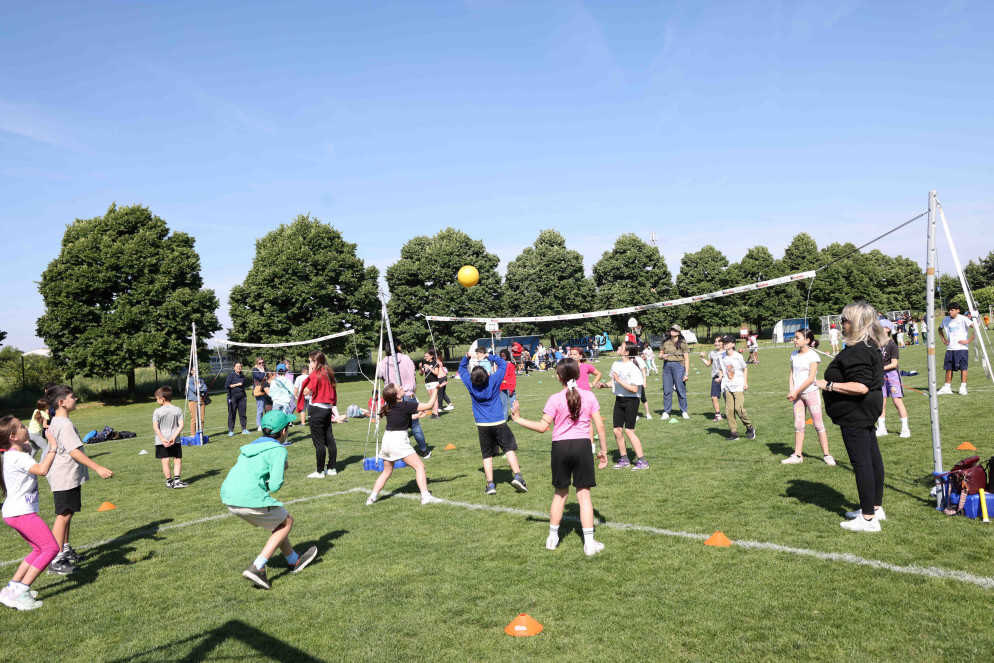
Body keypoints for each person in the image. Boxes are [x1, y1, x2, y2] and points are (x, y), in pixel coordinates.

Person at [510, 358, 609, 556]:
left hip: (560, 448)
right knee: (584, 496)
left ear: (558, 377)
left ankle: (552, 539)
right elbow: (600, 425)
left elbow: (542, 427)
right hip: (582, 447)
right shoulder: (588, 396)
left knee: (560, 494)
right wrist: (603, 451)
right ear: (578, 375)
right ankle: (589, 544)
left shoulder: (555, 398)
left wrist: (518, 419)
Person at [220, 410, 319, 589]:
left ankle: (293, 560)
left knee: (279, 523)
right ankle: (257, 567)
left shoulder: (250, 446)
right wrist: (280, 469)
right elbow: (275, 486)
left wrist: (277, 468)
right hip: (248, 498)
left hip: (229, 497)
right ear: (283, 432)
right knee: (287, 521)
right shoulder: (278, 449)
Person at [815, 301, 887, 532]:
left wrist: (829, 385)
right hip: (865, 411)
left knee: (862, 462)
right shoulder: (867, 346)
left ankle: (868, 518)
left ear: (856, 323)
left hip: (856, 411)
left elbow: (861, 387)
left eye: (845, 320)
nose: (841, 323)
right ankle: (874, 507)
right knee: (872, 457)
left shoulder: (858, 350)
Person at [43, 385, 114, 575]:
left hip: (65, 475)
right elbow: (74, 451)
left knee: (68, 513)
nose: (76, 399)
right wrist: (98, 467)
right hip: (64, 476)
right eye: (72, 397)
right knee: (63, 514)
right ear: (61, 402)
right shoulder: (64, 424)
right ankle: (56, 559)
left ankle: (64, 550)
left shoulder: (58, 421)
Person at [0, 415, 59, 610]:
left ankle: (12, 588)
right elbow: (41, 470)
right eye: (22, 426)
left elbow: (27, 459)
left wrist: (27, 448)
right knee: (51, 548)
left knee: (38, 549)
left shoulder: (12, 454)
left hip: (14, 512)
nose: (26, 427)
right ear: (13, 437)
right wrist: (52, 447)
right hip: (21, 513)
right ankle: (22, 591)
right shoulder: (18, 456)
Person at [458, 351, 528, 495]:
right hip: (499, 422)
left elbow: (461, 369)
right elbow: (503, 363)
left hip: (482, 425)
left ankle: (490, 485)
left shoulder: (470, 384)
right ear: (488, 374)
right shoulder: (494, 380)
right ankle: (518, 477)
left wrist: (467, 357)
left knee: (487, 455)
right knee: (508, 449)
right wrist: (488, 355)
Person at [365, 385, 441, 506]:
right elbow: (429, 406)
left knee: (386, 472)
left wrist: (416, 416)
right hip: (398, 441)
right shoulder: (405, 405)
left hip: (387, 441)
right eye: (399, 387)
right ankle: (426, 496)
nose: (401, 387)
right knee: (419, 466)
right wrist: (436, 390)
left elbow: (401, 417)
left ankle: (371, 498)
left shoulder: (390, 407)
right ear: (397, 395)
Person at [782, 330, 834, 465]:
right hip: (797, 396)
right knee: (798, 425)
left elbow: (811, 378)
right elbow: (791, 374)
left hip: (811, 393)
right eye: (794, 337)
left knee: (818, 425)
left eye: (797, 338)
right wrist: (792, 391)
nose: (794, 340)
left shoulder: (813, 356)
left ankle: (827, 455)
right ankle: (797, 455)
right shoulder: (794, 355)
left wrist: (796, 391)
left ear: (807, 341)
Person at [377, 342, 431, 458]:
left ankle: (417, 451)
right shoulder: (404, 358)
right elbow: (413, 372)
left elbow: (379, 375)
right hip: (403, 396)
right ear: (397, 346)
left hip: (396, 397)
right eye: (400, 345)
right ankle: (423, 451)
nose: (401, 347)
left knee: (399, 425)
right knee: (415, 425)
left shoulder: (384, 362)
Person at [605, 341, 648, 470]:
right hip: (619, 400)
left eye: (621, 347)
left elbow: (635, 389)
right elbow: (613, 381)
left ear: (627, 352)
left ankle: (642, 461)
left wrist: (619, 380)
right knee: (616, 430)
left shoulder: (633, 368)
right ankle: (624, 459)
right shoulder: (616, 364)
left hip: (631, 400)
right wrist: (604, 385)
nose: (618, 348)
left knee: (629, 431)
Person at [298, 352, 340, 478]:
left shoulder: (316, 374)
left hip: (317, 409)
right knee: (329, 439)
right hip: (327, 409)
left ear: (315, 362)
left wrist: (310, 374)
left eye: (310, 361)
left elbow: (306, 391)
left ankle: (320, 471)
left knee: (319, 442)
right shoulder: (328, 372)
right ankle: (331, 468)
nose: (308, 363)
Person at [717, 336, 755, 441]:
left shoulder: (738, 356)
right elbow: (721, 369)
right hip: (727, 386)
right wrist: (720, 377)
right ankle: (733, 433)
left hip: (738, 385)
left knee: (739, 409)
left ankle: (749, 427)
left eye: (727, 342)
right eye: (723, 342)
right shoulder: (721, 357)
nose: (724, 344)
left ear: (733, 344)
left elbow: (744, 368)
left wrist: (745, 382)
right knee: (729, 411)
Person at [877, 328, 910, 438]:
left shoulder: (892, 345)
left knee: (897, 401)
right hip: (880, 376)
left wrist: (880, 368)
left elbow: (894, 364)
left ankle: (905, 429)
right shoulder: (876, 344)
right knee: (881, 401)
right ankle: (882, 428)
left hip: (892, 376)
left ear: (887, 329)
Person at [153, 386, 188, 488]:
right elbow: (181, 425)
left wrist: (162, 439)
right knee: (177, 459)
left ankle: (169, 481)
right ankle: (177, 480)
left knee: (165, 460)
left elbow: (155, 426)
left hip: (161, 440)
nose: (157, 401)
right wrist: (173, 437)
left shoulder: (157, 411)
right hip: (175, 439)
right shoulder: (177, 409)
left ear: (162, 399)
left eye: (157, 399)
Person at [938, 302, 974, 395]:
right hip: (950, 348)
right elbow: (940, 329)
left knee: (963, 368)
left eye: (952, 310)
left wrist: (968, 340)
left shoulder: (963, 319)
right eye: (949, 310)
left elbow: (976, 327)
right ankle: (947, 387)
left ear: (958, 310)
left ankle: (963, 387)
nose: (950, 312)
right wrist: (944, 340)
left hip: (962, 348)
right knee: (948, 368)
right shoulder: (946, 320)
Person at [658, 324, 690, 420]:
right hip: (667, 366)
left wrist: (686, 373)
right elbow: (659, 355)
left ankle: (684, 411)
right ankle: (667, 411)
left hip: (679, 366)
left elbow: (686, 359)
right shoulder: (665, 342)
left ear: (679, 332)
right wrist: (662, 356)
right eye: (672, 329)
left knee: (681, 390)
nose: (673, 331)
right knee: (667, 390)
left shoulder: (683, 343)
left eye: (675, 330)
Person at [699, 336, 724, 422]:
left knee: (727, 398)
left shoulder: (726, 352)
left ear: (723, 343)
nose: (716, 343)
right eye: (715, 341)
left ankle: (731, 414)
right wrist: (702, 357)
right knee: (714, 397)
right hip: (715, 377)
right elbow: (708, 364)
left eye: (719, 341)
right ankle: (718, 415)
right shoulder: (712, 353)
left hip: (725, 378)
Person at [225, 361, 249, 436]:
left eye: (240, 366)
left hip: (242, 397)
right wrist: (236, 384)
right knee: (232, 413)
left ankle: (244, 429)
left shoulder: (243, 376)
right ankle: (231, 430)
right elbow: (226, 386)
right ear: (234, 367)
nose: (239, 367)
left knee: (243, 413)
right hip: (232, 397)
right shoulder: (231, 376)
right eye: (237, 366)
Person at [420, 350, 442, 418]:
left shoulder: (434, 362)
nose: (425, 357)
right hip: (427, 382)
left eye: (427, 356)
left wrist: (429, 368)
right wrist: (420, 368)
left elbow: (436, 373)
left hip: (434, 382)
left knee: (434, 398)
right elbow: (421, 374)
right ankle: (433, 412)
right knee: (431, 398)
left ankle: (436, 413)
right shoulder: (425, 363)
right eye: (425, 356)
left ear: (431, 356)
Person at [185, 372, 208, 438]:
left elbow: (205, 388)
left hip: (201, 400)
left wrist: (201, 389)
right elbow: (194, 390)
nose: (196, 372)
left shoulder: (201, 379)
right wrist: (201, 389)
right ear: (191, 372)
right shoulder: (190, 380)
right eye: (194, 371)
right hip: (193, 400)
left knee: (202, 418)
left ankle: (200, 433)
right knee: (194, 419)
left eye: (196, 370)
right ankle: (193, 434)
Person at [498, 349, 517, 420]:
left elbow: (513, 377)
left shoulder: (510, 365)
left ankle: (515, 418)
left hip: (509, 387)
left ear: (507, 356)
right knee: (503, 404)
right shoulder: (500, 365)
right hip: (502, 387)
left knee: (512, 404)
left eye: (504, 356)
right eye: (501, 356)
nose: (503, 358)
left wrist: (512, 389)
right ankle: (504, 418)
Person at [252, 357, 267, 431]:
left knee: (267, 409)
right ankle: (259, 425)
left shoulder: (266, 369)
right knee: (260, 409)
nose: (261, 364)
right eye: (260, 363)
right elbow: (261, 377)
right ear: (257, 363)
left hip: (266, 390)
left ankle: (266, 423)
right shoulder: (255, 370)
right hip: (259, 391)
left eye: (262, 363)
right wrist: (263, 371)